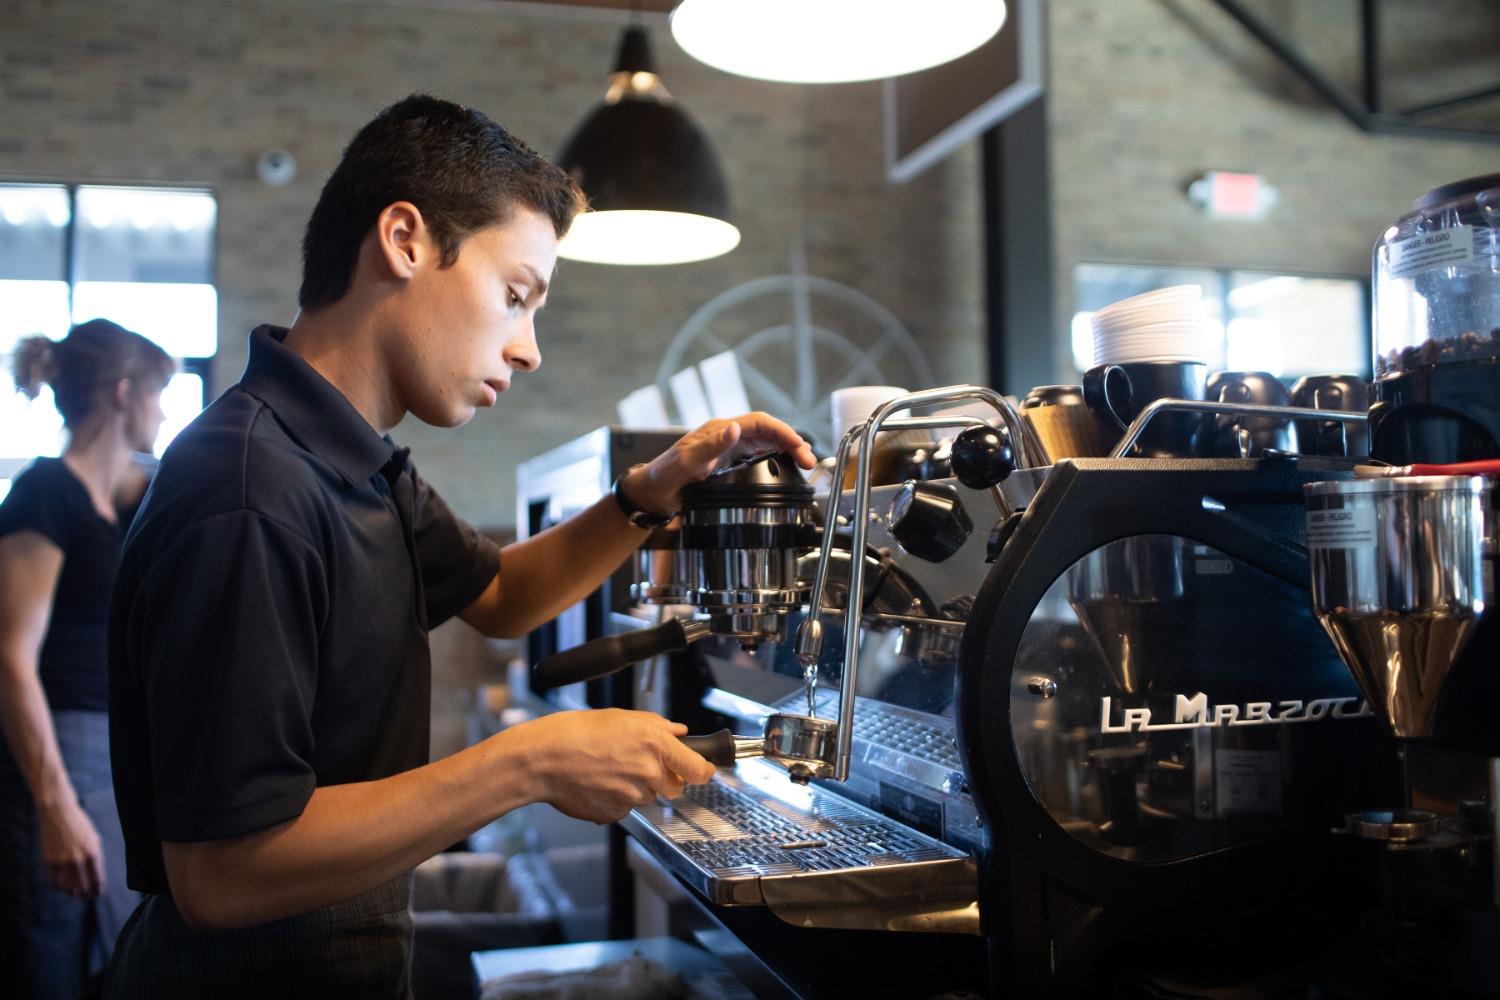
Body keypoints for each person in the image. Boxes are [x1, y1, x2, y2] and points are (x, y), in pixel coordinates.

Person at [102, 94, 815, 998]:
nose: (529, 350)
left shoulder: (357, 459)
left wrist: (657, 483)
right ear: (403, 240)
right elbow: (223, 873)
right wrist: (531, 761)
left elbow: (507, 595)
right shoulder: (249, 493)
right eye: (515, 296)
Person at [0, 319, 173, 999]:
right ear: (124, 393)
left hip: (102, 762)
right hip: (54, 760)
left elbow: (161, 479)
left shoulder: (111, 504)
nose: (163, 410)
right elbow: (11, 657)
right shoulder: (46, 493)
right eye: (158, 392)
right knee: (48, 967)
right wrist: (55, 806)